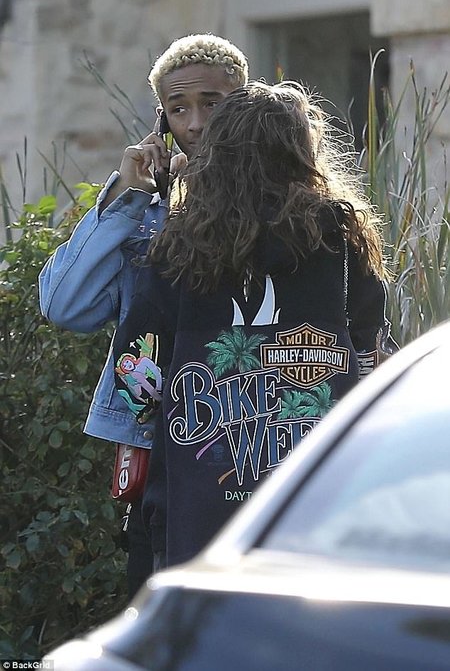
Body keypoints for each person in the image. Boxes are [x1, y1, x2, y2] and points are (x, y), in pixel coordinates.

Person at [113, 80, 398, 569]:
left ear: (217, 154)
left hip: (195, 519)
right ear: (302, 154)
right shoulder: (343, 240)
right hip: (323, 512)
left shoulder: (178, 246)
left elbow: (135, 382)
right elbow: (373, 360)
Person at [38, 33, 249, 597]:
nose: (196, 123)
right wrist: (126, 199)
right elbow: (64, 305)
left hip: (261, 443)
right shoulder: (149, 216)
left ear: (245, 106)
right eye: (179, 109)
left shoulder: (294, 208)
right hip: (164, 453)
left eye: (213, 103)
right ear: (162, 122)